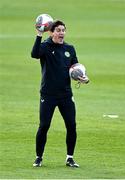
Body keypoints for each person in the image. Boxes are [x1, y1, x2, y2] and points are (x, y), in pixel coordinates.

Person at [31, 20, 88, 168]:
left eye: (63, 30)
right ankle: (39, 157)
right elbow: (34, 54)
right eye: (58, 30)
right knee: (44, 126)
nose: (61, 33)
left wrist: (83, 78)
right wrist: (38, 35)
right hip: (48, 94)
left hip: (65, 95)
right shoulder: (44, 46)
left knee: (71, 125)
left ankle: (70, 158)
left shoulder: (70, 48)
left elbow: (76, 67)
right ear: (52, 32)